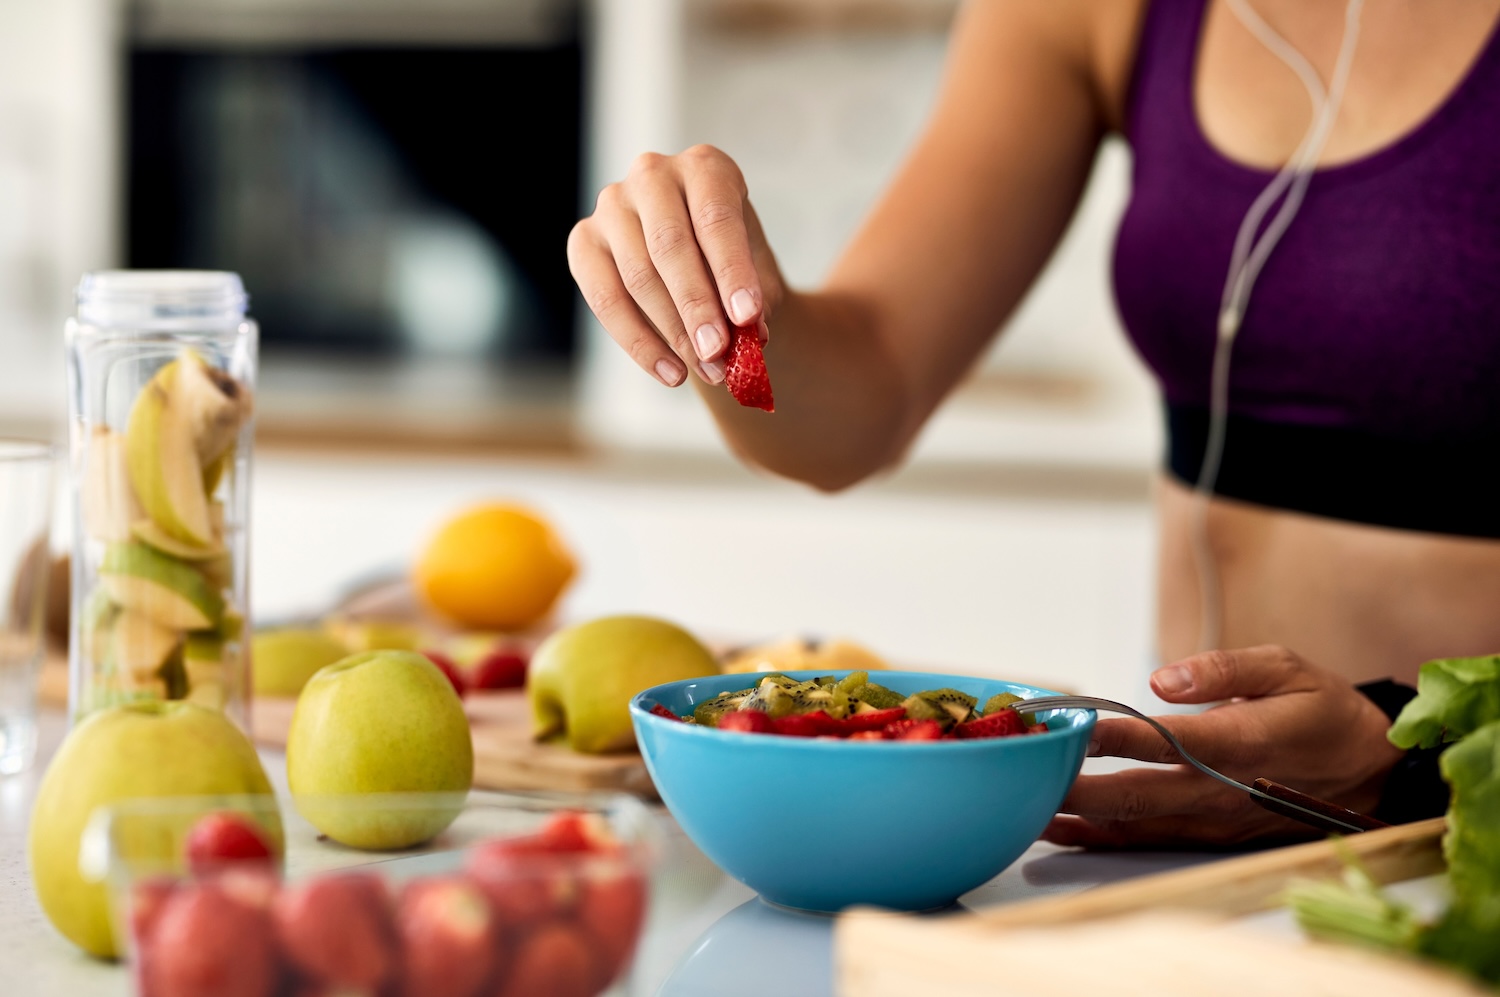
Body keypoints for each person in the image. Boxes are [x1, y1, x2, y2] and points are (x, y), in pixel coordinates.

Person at [566, 0, 1500, 846]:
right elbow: (854, 411)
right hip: (1205, 810)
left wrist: (1413, 747)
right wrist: (730, 307)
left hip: (1466, 818)